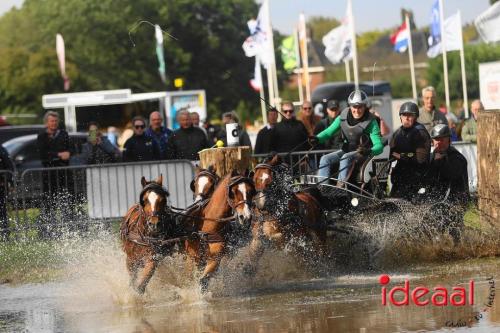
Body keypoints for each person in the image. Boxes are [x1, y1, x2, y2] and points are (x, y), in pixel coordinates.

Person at [309, 90, 384, 185]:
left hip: (362, 154)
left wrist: (369, 151)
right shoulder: (342, 116)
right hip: (346, 150)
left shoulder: (371, 122)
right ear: (350, 106)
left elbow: (379, 146)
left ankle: (341, 186)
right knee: (325, 159)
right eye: (354, 106)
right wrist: (317, 138)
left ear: (365, 106)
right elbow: (328, 132)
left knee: (345, 157)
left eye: (360, 107)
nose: (357, 110)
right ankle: (322, 187)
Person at [424, 124, 469, 243]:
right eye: (436, 139)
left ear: (448, 140)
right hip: (439, 199)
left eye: (442, 139)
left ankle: (460, 248)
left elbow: (450, 174)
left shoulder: (458, 158)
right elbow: (428, 178)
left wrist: (439, 162)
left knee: (452, 229)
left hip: (456, 200)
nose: (438, 142)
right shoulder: (431, 157)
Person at [36, 111, 74, 230]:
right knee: (49, 201)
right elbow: (42, 154)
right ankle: (49, 228)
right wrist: (58, 155)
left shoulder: (63, 134)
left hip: (64, 173)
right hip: (49, 174)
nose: (54, 123)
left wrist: (69, 153)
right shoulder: (42, 136)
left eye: (56, 121)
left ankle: (68, 225)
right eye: (51, 121)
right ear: (46, 122)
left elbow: (72, 148)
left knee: (67, 200)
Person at [389, 102, 431, 199]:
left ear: (415, 117)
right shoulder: (397, 133)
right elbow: (390, 152)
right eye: (404, 115)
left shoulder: (420, 133)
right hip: (402, 176)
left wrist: (401, 156)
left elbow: (421, 159)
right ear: (400, 117)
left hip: (418, 176)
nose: (407, 118)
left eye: (410, 115)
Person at [0, 144, 14, 237]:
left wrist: (7, 180)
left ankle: (5, 234)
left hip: (0, 185)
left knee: (2, 211)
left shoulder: (1, 149)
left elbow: (9, 167)